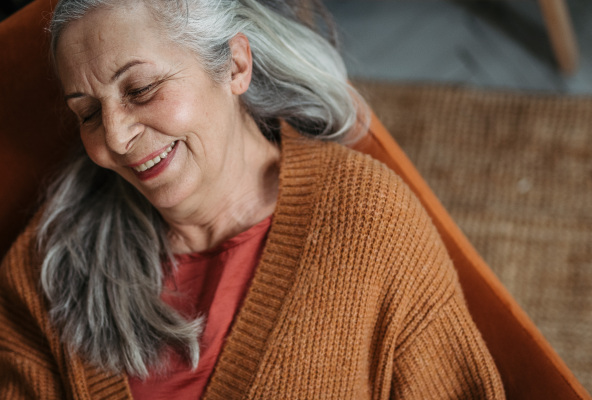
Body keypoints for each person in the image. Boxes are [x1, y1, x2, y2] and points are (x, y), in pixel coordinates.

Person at [0, 0, 505, 398]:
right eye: (88, 113)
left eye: (142, 88)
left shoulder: (366, 221)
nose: (114, 137)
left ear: (236, 65)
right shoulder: (48, 267)